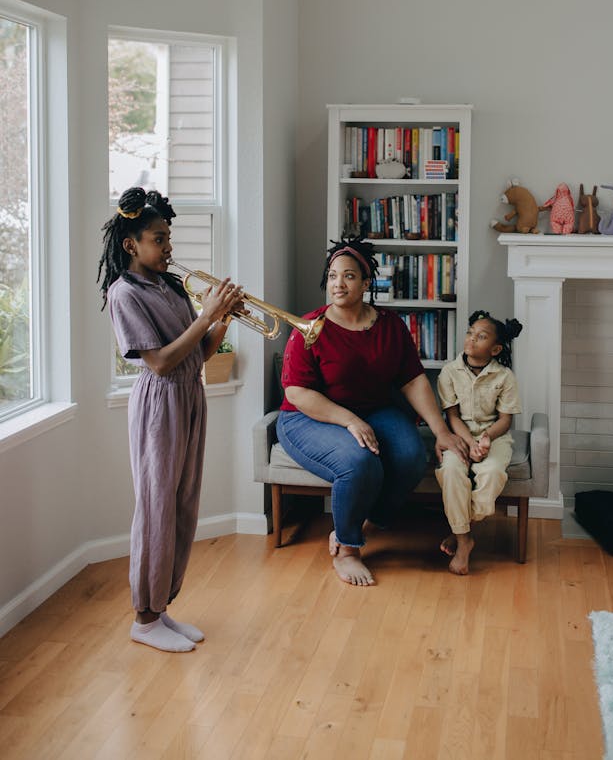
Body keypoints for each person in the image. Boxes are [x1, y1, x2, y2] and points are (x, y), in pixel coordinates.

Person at [98, 186, 243, 651]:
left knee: (183, 505)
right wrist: (207, 314)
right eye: (159, 239)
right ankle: (143, 617)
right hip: (159, 403)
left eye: (168, 238)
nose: (168, 247)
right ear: (131, 245)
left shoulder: (170, 286)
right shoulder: (124, 293)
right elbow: (158, 362)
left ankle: (161, 607)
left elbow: (196, 356)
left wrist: (223, 321)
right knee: (156, 507)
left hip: (189, 394)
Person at [276, 238, 470, 587]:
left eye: (349, 276)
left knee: (412, 456)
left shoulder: (390, 325)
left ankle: (365, 523)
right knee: (358, 461)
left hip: (374, 410)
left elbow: (413, 381)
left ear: (367, 284)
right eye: (333, 276)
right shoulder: (310, 327)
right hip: (308, 417)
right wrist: (350, 421)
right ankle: (347, 550)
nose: (338, 283)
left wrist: (441, 431)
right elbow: (297, 392)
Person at [435, 309, 523, 575]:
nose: (472, 339)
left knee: (493, 473)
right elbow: (452, 416)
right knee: (450, 471)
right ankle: (464, 542)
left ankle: (459, 529)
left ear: (495, 349)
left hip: (493, 435)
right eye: (470, 333)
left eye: (481, 336)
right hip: (459, 434)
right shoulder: (449, 372)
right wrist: (469, 443)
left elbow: (505, 420)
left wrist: (485, 439)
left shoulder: (504, 377)